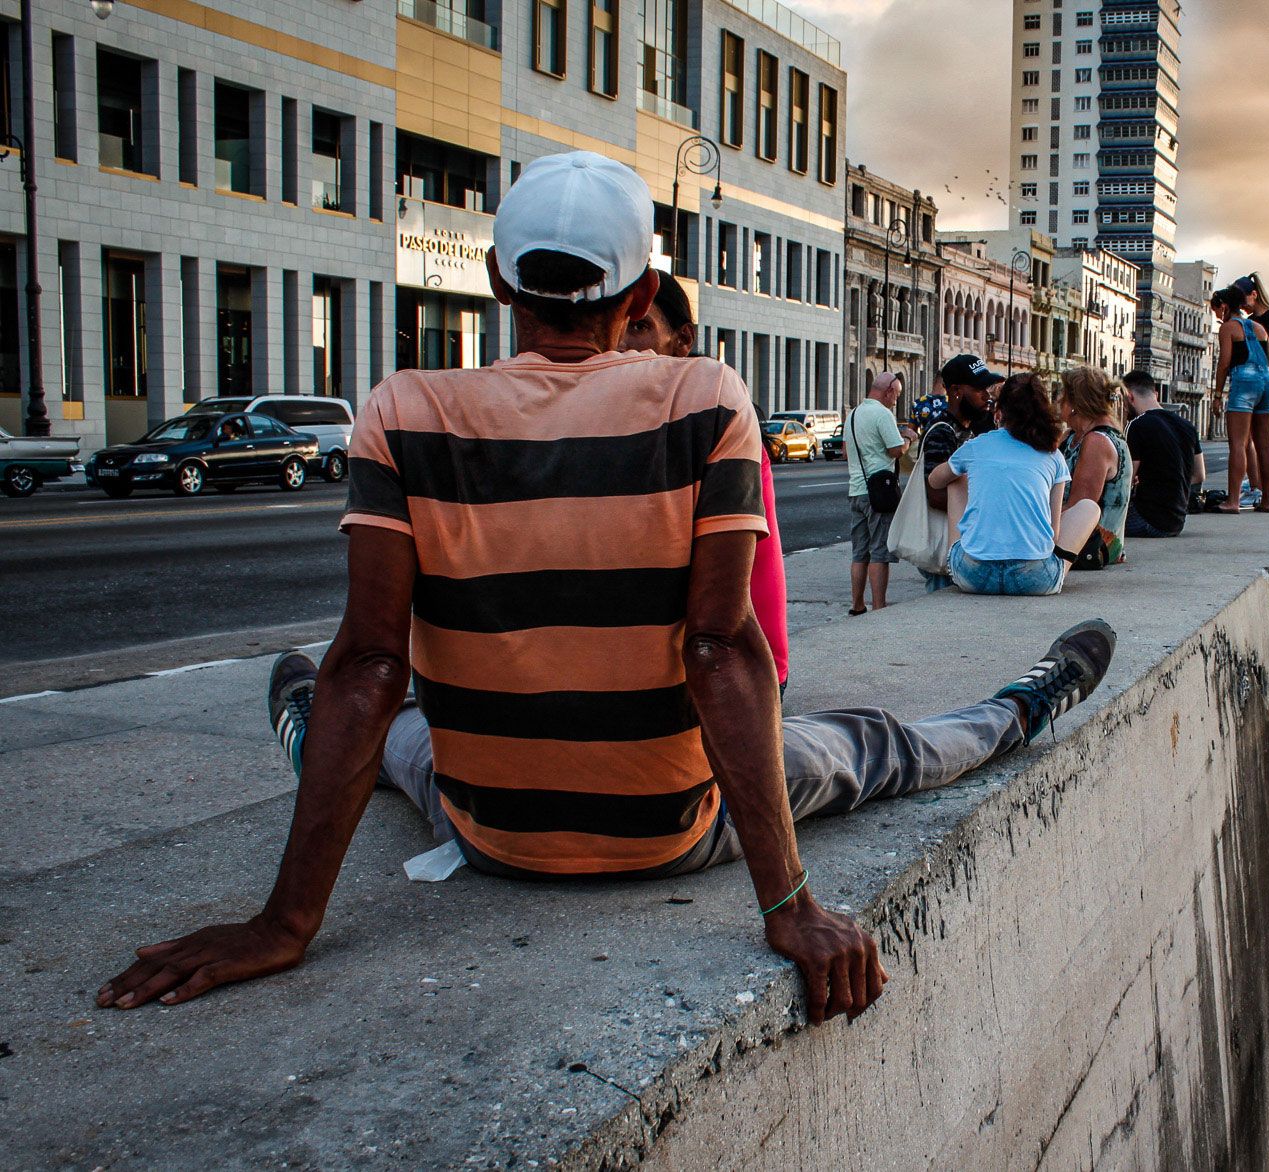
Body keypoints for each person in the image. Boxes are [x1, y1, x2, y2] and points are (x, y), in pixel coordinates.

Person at [94, 151, 1119, 1029]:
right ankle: (1022, 704)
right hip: (664, 827)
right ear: (639, 297)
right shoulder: (702, 398)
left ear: (499, 280)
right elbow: (720, 650)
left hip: (492, 828)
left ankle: (298, 722)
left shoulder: (402, 410)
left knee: (402, 743)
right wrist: (790, 901)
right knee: (866, 746)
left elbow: (367, 658)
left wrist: (283, 925)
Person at [624, 271, 789, 690]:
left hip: (737, 668)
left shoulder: (707, 416)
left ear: (682, 339)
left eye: (640, 327)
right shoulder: (652, 415)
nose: (624, 345)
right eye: (619, 328)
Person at [927, 373, 1100, 596]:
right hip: (1035, 580)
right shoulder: (1052, 454)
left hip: (973, 576)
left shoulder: (977, 445)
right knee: (1089, 508)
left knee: (956, 477)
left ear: (999, 412)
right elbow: (1053, 534)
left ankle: (958, 553)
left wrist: (958, 467)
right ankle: (1059, 571)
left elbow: (934, 480)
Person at [918, 354, 1004, 590]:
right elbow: (934, 494)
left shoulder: (971, 429)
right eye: (979, 390)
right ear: (956, 390)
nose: (987, 397)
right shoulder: (942, 432)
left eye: (988, 389)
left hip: (962, 541)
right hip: (944, 542)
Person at [1210, 285, 1269, 514]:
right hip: (1267, 382)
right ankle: (1267, 501)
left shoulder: (1228, 328)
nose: (1218, 316)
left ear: (1225, 306)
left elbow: (1224, 363)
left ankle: (1233, 501)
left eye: (1217, 311)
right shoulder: (1259, 328)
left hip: (1244, 382)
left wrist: (1218, 395)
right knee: (1265, 443)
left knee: (1238, 444)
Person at [1055, 367, 1132, 568]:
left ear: (1075, 403)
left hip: (1089, 546)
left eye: (1062, 394)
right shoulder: (1072, 436)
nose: (1057, 400)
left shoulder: (1097, 441)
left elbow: (1079, 507)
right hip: (1076, 540)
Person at [846, 373, 909, 614]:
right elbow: (895, 450)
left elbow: (845, 452)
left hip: (856, 490)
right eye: (897, 395)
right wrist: (908, 439)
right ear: (889, 391)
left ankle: (857, 605)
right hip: (878, 494)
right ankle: (879, 606)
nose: (896, 401)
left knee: (859, 552)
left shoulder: (853, 414)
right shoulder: (883, 414)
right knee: (879, 551)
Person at [1121, 370, 1202, 538]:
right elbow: (1199, 475)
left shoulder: (1136, 425)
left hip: (1147, 520)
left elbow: (1126, 480)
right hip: (1176, 522)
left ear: (1129, 397)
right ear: (1155, 394)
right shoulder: (1187, 426)